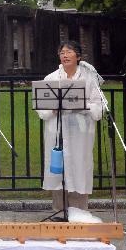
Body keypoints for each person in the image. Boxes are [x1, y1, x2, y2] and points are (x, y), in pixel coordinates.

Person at [36, 41, 104, 222]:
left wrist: (82, 105)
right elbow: (41, 109)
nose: (65, 55)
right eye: (62, 52)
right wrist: (52, 109)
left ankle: (80, 212)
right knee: (59, 168)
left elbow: (99, 107)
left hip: (81, 132)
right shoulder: (51, 78)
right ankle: (60, 210)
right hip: (57, 130)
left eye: (69, 52)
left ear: (78, 56)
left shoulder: (90, 79)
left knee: (79, 166)